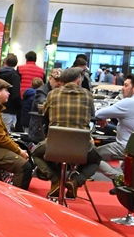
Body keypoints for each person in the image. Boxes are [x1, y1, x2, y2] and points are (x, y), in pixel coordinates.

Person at [32, 66, 100, 199]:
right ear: (78, 80)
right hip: (81, 147)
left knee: (36, 153)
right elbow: (92, 114)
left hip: (55, 145)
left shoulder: (53, 94)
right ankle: (75, 180)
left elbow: (45, 113)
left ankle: (56, 180)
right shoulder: (87, 95)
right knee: (96, 160)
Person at [94, 74, 134, 191]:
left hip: (126, 146)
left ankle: (119, 178)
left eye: (126, 85)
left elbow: (98, 114)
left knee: (92, 156)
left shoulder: (129, 102)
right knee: (125, 166)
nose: (122, 88)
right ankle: (126, 186)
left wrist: (102, 118)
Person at [25, 68, 63, 143]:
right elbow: (43, 105)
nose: (59, 83)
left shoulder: (60, 91)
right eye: (56, 80)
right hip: (40, 130)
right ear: (50, 79)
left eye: (61, 81)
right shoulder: (41, 91)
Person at [0, 53, 22, 132]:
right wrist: (19, 105)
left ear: (5, 62)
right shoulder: (15, 76)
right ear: (15, 63)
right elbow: (15, 94)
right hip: (10, 109)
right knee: (7, 132)